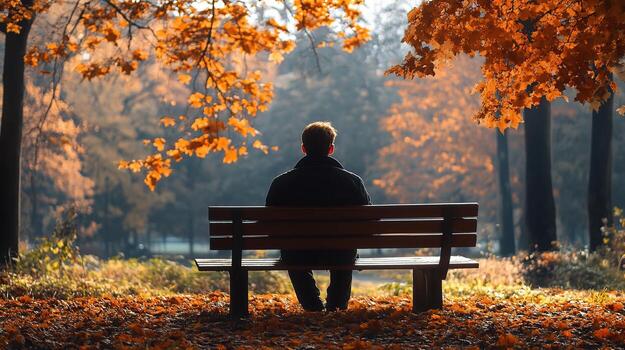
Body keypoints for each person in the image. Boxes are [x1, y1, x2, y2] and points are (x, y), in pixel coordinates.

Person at [265, 121, 371, 311]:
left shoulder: (281, 183)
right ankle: (337, 306)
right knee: (345, 250)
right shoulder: (352, 181)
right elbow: (370, 220)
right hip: (340, 252)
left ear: (303, 148)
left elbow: (268, 224)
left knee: (292, 252)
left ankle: (312, 305)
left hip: (298, 252)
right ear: (331, 149)